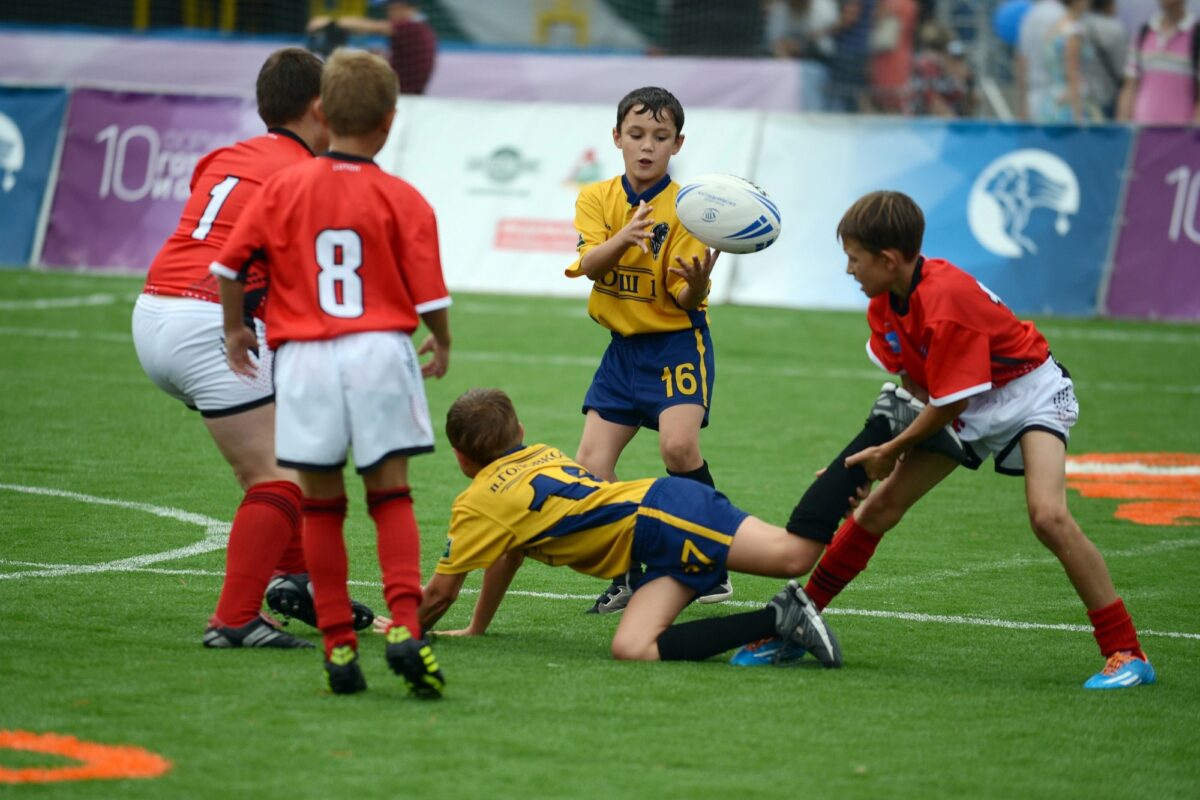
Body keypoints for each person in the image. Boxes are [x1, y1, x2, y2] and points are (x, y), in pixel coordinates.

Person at [736, 191, 1155, 691]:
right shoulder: (883, 306)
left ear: (888, 260)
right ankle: (793, 629)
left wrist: (890, 454)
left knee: (1049, 516)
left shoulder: (946, 302)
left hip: (1029, 392)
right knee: (877, 512)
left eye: (853, 258)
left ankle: (1126, 651)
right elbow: (918, 389)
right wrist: (865, 462)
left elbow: (950, 404)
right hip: (966, 400)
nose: (848, 270)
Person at [211, 49, 452, 697]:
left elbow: (229, 266)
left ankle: (339, 646)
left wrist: (236, 329)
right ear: (390, 120)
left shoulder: (283, 187)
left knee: (321, 505)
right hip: (376, 349)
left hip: (304, 358)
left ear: (321, 111)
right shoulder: (403, 196)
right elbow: (430, 297)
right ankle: (405, 624)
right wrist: (442, 342)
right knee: (390, 495)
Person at [131, 47, 375, 650]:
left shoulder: (226, 155)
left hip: (154, 313)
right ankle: (234, 618)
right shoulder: (312, 175)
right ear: (321, 108)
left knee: (281, 454)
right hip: (214, 322)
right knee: (283, 474)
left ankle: (296, 579)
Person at [415, 387, 843, 669]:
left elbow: (438, 594)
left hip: (665, 520)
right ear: (521, 432)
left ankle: (865, 448)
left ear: (460, 457)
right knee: (632, 647)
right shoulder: (540, 454)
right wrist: (477, 627)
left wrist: (404, 625)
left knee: (794, 555)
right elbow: (509, 551)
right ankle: (781, 616)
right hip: (661, 531)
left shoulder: (480, 501)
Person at [565, 86, 731, 614]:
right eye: (636, 134)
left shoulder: (688, 209)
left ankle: (715, 564)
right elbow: (590, 265)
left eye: (660, 137)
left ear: (677, 144)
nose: (646, 146)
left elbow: (685, 297)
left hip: (676, 345)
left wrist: (700, 285)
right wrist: (626, 236)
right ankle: (629, 575)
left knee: (678, 450)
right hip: (622, 353)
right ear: (616, 138)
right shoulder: (596, 198)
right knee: (590, 469)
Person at [307, 0, 437, 95]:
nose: (388, 13)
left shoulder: (412, 27)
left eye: (390, 8)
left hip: (403, 98)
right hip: (404, 95)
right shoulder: (422, 27)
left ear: (401, 6)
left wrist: (331, 22)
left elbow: (374, 26)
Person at [1117, 0, 1200, 124]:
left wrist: (1194, 136)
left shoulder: (1196, 35)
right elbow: (1130, 85)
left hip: (1181, 135)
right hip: (1143, 132)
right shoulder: (1143, 32)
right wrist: (1122, 127)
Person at [1040, 0, 1103, 121]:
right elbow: (1073, 76)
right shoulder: (1074, 32)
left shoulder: (1056, 27)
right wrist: (1078, 116)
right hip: (1071, 104)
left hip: (1052, 100)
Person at [1015, 0, 1066, 120]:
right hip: (1060, 97)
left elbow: (1022, 60)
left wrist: (1022, 103)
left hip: (1034, 94)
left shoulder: (1029, 15)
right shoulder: (1063, 15)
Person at [1082, 0, 1129, 119]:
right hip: (1107, 96)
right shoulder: (1115, 28)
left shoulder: (1078, 25)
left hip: (1083, 96)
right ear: (1109, 5)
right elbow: (1123, 69)